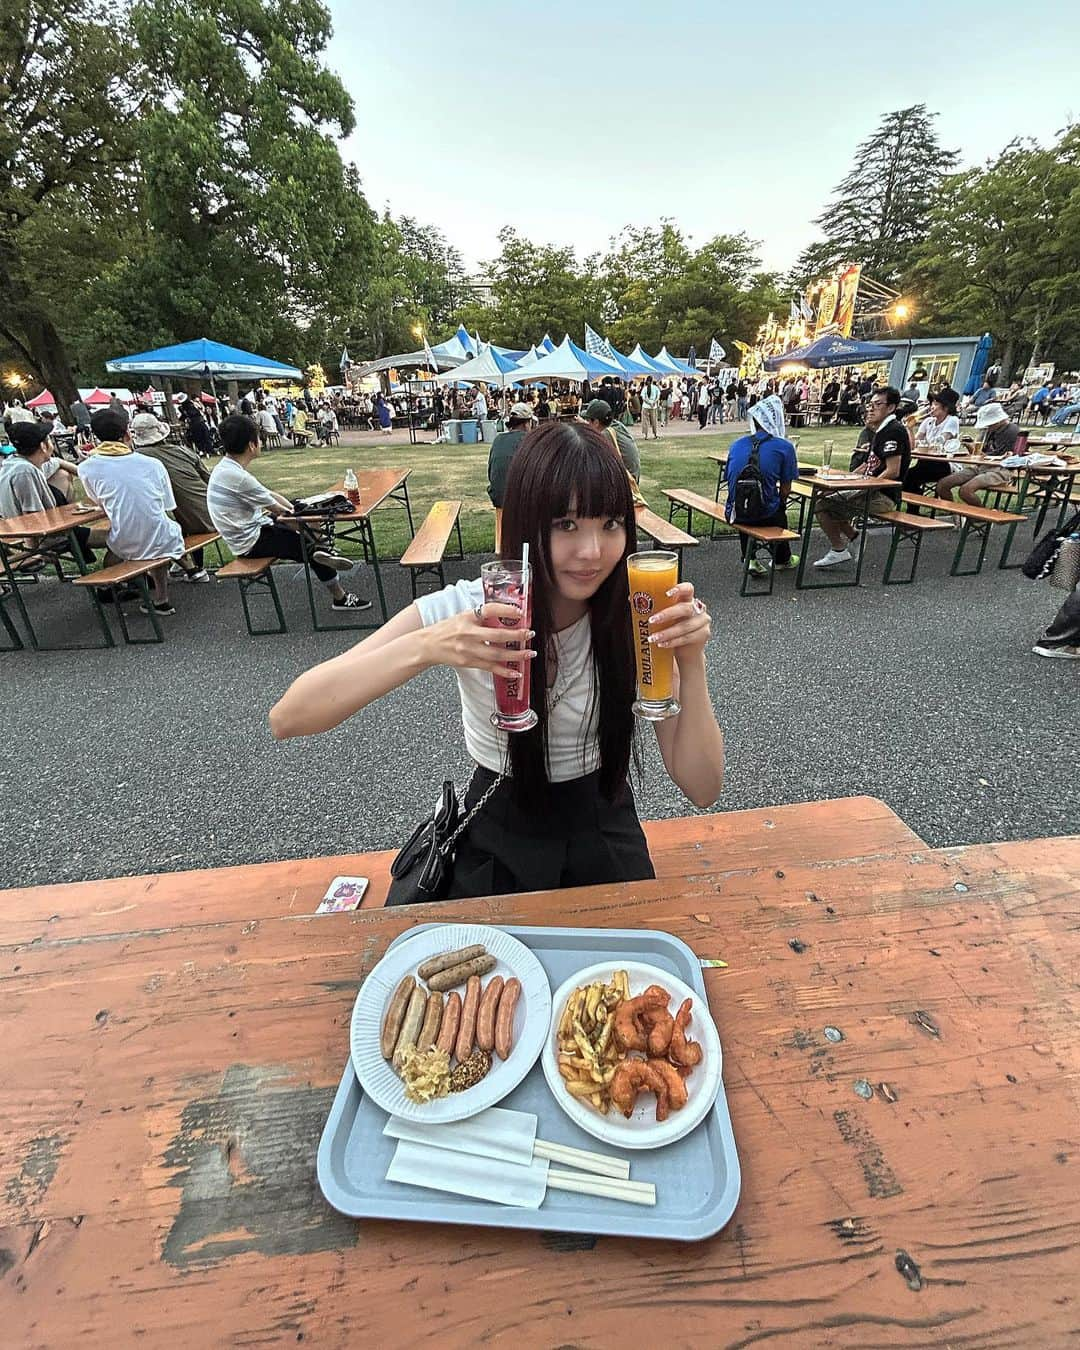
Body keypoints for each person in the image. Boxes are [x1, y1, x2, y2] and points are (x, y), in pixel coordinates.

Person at [269, 420, 724, 898]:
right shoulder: (474, 607)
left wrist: (691, 661)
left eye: (610, 524)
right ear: (527, 522)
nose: (592, 551)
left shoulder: (637, 611)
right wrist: (428, 645)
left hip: (603, 828)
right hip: (497, 825)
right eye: (566, 524)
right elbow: (290, 715)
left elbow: (702, 787)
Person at [206, 414, 370, 613]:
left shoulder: (227, 469)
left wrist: (299, 510)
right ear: (251, 445)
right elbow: (279, 511)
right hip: (250, 542)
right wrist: (303, 523)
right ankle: (339, 595)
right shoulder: (237, 476)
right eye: (259, 438)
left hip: (253, 527)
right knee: (308, 546)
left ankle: (322, 547)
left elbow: (271, 496)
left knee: (303, 513)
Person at [77, 409, 200, 614]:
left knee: (112, 540)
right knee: (156, 530)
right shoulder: (152, 464)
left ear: (95, 436)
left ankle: (114, 587)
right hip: (163, 537)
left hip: (126, 542)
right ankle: (162, 597)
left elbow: (99, 502)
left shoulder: (86, 468)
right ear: (127, 433)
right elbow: (167, 505)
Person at [813, 386, 911, 568]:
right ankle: (853, 537)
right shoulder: (881, 430)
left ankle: (839, 549)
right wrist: (844, 477)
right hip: (871, 488)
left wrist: (863, 489)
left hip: (884, 496)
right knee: (823, 498)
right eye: (870, 404)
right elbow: (868, 464)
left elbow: (893, 470)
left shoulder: (894, 430)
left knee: (822, 505)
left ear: (891, 408)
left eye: (877, 404)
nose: (871, 408)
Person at [129, 410, 213, 581]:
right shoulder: (183, 451)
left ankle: (189, 569)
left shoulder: (139, 459)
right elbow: (208, 479)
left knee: (161, 525)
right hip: (215, 510)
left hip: (193, 522)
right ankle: (188, 566)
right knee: (183, 516)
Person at [725, 395, 800, 576]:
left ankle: (749, 557)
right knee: (776, 504)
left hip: (735, 512)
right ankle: (782, 559)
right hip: (765, 513)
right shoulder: (784, 447)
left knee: (745, 499)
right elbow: (786, 489)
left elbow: (729, 478)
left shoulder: (737, 444)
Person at [935, 402, 1017, 509]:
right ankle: (955, 514)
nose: (987, 426)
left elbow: (993, 457)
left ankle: (982, 519)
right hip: (981, 466)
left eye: (989, 424)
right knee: (943, 485)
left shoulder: (1011, 431)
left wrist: (975, 450)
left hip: (1000, 470)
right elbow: (979, 454)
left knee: (965, 491)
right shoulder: (989, 430)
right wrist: (969, 445)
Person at [903, 386, 962, 513]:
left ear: (946, 408)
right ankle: (913, 511)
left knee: (911, 477)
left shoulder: (952, 420)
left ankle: (913, 512)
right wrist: (910, 429)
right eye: (932, 403)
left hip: (943, 464)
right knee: (905, 475)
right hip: (925, 462)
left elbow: (942, 440)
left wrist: (923, 445)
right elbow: (914, 443)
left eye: (935, 404)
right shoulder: (928, 421)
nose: (931, 407)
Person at [487, 402, 536, 507]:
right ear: (526, 423)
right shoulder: (530, 440)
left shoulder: (498, 440)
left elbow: (491, 472)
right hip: (521, 501)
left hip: (498, 498)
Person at [582, 399, 641, 482]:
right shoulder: (617, 425)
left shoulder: (605, 435)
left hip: (626, 484)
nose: (588, 424)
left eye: (588, 421)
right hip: (631, 478)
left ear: (596, 422)